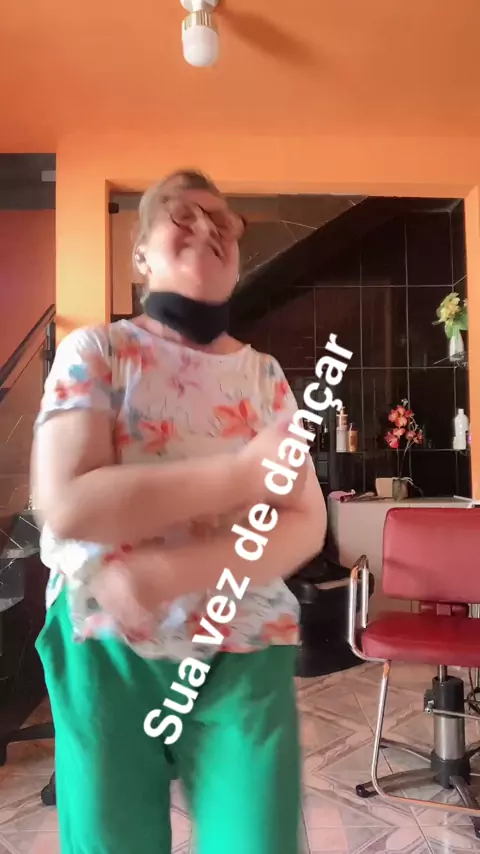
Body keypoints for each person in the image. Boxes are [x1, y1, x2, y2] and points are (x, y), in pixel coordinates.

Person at [31, 169, 326, 854]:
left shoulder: (266, 377)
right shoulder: (97, 352)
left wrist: (169, 574)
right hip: (106, 645)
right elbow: (66, 501)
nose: (207, 228)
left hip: (244, 645)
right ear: (140, 255)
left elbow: (305, 522)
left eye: (223, 222)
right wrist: (241, 475)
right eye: (182, 215)